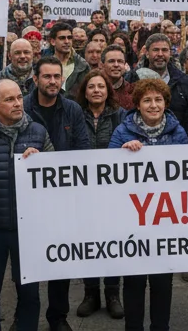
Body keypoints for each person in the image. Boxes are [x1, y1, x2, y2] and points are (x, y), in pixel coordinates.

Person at [109, 79, 188, 331]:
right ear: (137, 105)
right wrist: (122, 152)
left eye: (158, 100)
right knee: (133, 282)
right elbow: (107, 172)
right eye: (147, 100)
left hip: (165, 220)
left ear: (166, 103)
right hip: (133, 219)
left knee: (162, 282)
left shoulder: (178, 132)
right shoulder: (122, 132)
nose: (153, 105)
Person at [0, 79, 52, 331]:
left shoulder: (38, 132)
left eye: (19, 97)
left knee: (29, 294)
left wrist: (43, 163)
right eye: (9, 99)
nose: (18, 103)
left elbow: (59, 176)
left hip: (27, 229)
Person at [25, 56, 92, 331]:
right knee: (28, 259)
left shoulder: (72, 109)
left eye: (57, 77)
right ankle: (24, 313)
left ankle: (58, 316)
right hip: (28, 195)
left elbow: (82, 148)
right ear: (35, 79)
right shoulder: (23, 107)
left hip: (64, 193)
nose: (53, 81)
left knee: (60, 257)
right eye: (47, 77)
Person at [73, 70, 126, 320]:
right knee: (88, 241)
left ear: (108, 91)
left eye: (101, 87)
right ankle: (91, 292)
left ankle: (113, 293)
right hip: (82, 190)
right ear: (84, 92)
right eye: (91, 87)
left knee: (113, 240)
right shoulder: (75, 115)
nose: (96, 90)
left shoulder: (120, 116)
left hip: (113, 191)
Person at [137, 32, 188, 144]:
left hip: (176, 146)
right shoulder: (134, 78)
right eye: (156, 50)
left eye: (165, 50)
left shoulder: (183, 81)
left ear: (170, 53)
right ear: (147, 53)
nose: (160, 54)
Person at [47, 22, 90, 93]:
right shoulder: (44, 65)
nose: (67, 41)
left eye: (69, 38)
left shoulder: (83, 65)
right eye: (62, 38)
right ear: (53, 41)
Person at [100, 45, 136, 110]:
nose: (116, 65)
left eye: (120, 61)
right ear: (102, 65)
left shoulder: (132, 92)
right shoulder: (93, 89)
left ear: (125, 65)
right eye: (111, 61)